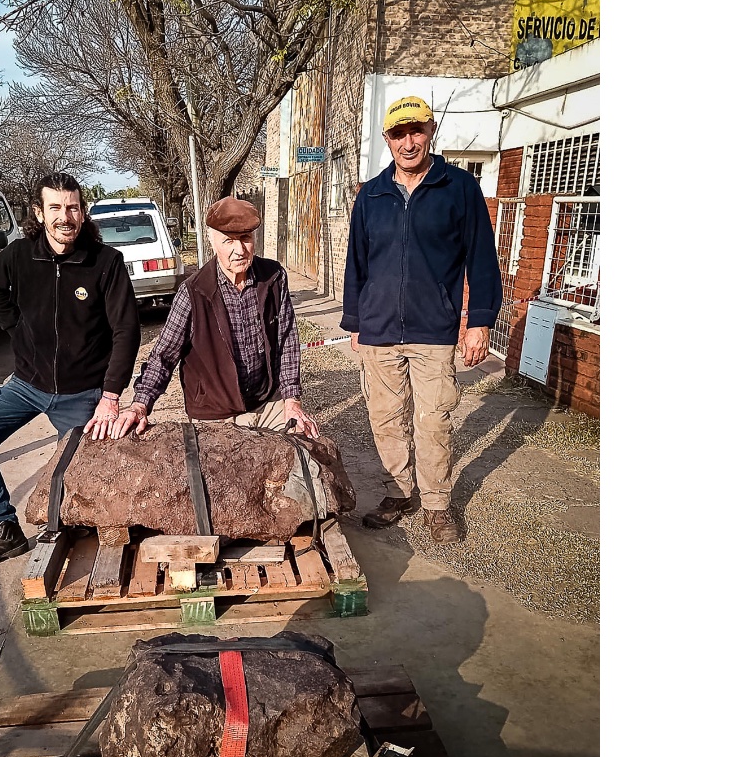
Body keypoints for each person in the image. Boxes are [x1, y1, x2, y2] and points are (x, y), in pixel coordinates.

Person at [0, 172, 141, 573]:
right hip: (26, 385)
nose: (64, 216)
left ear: (83, 211)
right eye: (55, 207)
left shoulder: (105, 263)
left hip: (82, 392)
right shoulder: (20, 256)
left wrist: (110, 396)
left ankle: (83, 538)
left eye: (72, 207)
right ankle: (4, 528)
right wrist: (15, 329)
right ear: (40, 212)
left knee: (83, 476)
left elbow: (127, 331)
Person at [342, 96, 503, 543]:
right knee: (386, 419)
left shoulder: (459, 188)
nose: (408, 141)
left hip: (434, 330)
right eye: (398, 133)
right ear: (387, 139)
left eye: (416, 130)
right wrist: (355, 321)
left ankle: (436, 503)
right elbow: (356, 262)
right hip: (378, 330)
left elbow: (482, 259)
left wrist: (479, 321)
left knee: (433, 421)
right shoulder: (372, 194)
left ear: (430, 130)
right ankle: (400, 491)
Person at [110, 197, 318, 439]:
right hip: (215, 412)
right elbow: (164, 355)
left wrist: (291, 399)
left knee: (301, 458)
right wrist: (140, 404)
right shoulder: (194, 292)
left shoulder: (273, 277)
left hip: (267, 402)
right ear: (212, 240)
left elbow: (287, 341)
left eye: (246, 239)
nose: (239, 251)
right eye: (228, 241)